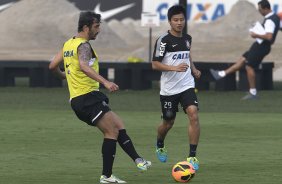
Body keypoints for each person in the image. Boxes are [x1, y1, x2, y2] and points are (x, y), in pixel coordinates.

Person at [49, 11, 151, 184]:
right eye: (96, 26)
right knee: (111, 132)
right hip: (86, 97)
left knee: (118, 125)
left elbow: (52, 66)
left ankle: (138, 160)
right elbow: (83, 66)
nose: (99, 30)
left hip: (83, 98)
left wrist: (67, 76)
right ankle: (107, 176)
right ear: (86, 27)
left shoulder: (69, 44)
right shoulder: (83, 45)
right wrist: (106, 82)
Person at [151, 5, 201, 171]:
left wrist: (193, 69)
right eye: (176, 20)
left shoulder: (187, 38)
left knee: (193, 114)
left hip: (187, 85)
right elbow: (155, 64)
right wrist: (174, 68)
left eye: (181, 20)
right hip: (169, 89)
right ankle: (160, 143)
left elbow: (187, 54)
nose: (179, 23)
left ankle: (192, 156)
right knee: (168, 122)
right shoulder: (163, 41)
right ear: (170, 21)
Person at [210, 0, 280, 100]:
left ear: (266, 9)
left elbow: (269, 37)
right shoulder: (275, 17)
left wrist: (256, 34)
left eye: (260, 9)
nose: (259, 11)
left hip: (262, 46)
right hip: (260, 45)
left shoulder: (270, 20)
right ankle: (221, 74)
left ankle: (253, 92)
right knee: (242, 59)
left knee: (249, 66)